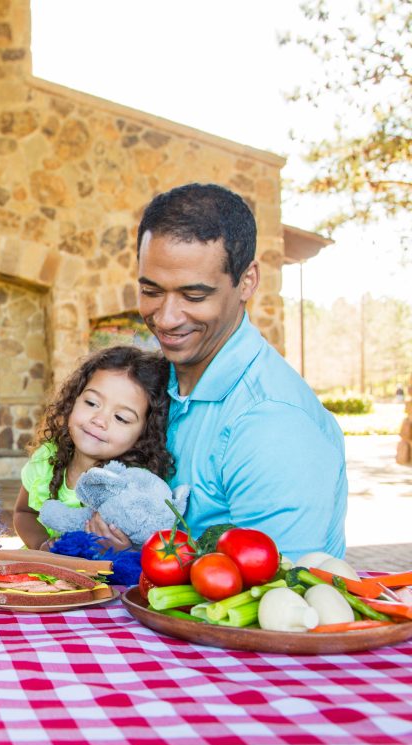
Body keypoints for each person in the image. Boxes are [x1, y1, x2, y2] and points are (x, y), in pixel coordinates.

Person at [135, 182, 346, 560]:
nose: (165, 318)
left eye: (194, 296)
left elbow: (281, 598)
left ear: (247, 281)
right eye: (151, 291)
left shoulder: (272, 422)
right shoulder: (152, 379)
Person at [13, 345, 174, 551]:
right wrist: (43, 546)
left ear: (145, 433)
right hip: (37, 576)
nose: (99, 420)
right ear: (73, 400)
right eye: (91, 403)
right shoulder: (47, 458)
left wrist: (125, 550)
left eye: (121, 418)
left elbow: (149, 548)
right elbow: (24, 513)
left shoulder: (133, 486)